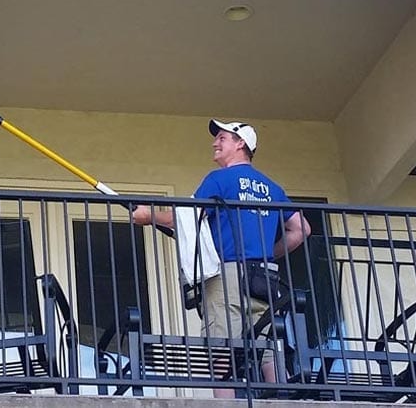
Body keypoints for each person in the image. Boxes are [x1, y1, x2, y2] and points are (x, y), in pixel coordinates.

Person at [132, 119, 310, 397]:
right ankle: (284, 402)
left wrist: (149, 216)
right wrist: (264, 255)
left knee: (221, 349)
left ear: (241, 144)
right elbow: (301, 229)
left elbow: (189, 217)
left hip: (226, 278)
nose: (215, 143)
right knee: (268, 348)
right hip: (264, 275)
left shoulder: (219, 180)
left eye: (223, 138)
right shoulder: (271, 188)